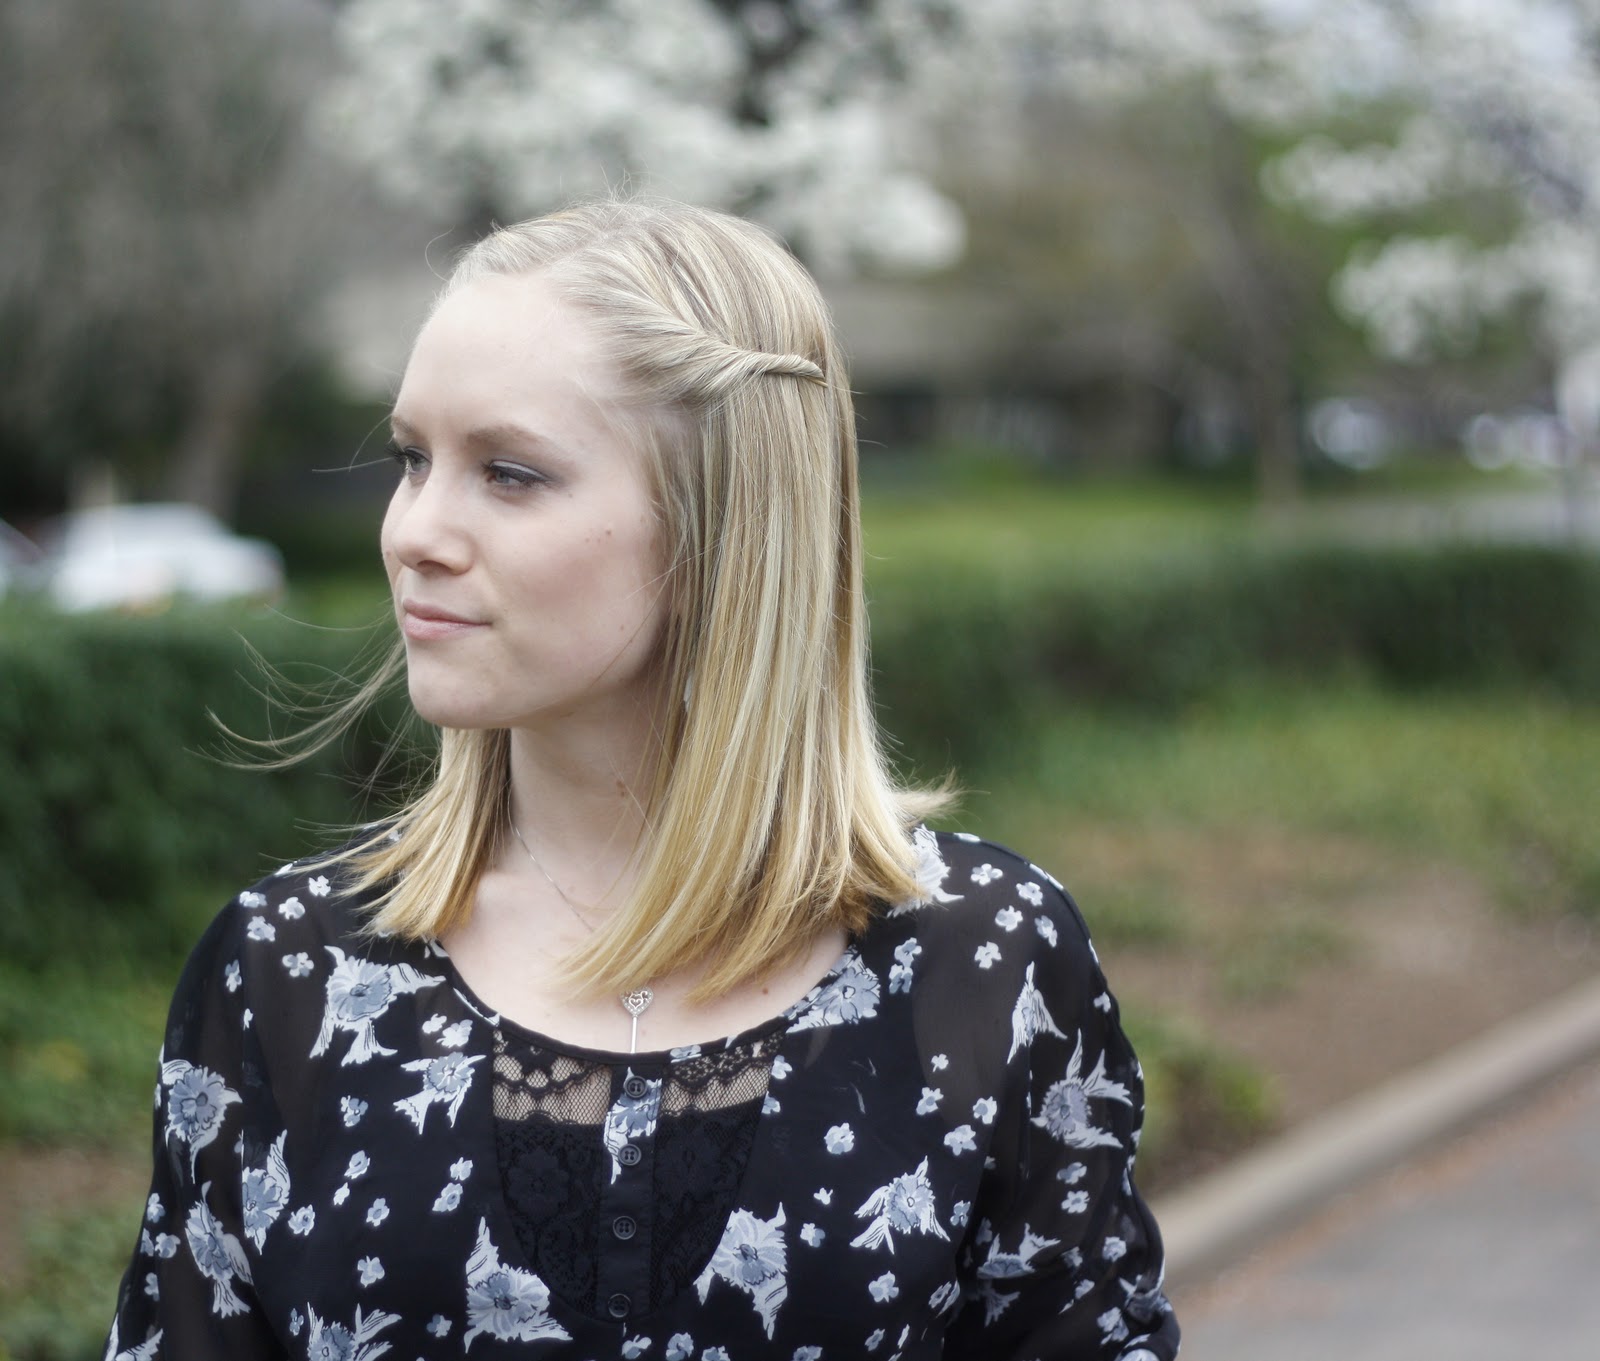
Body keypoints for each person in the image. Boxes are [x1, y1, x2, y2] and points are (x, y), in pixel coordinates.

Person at [105, 198, 1179, 1359]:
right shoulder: (287, 971)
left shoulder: (982, 963)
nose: (413, 530)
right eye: (412, 458)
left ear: (721, 522)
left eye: (508, 472)